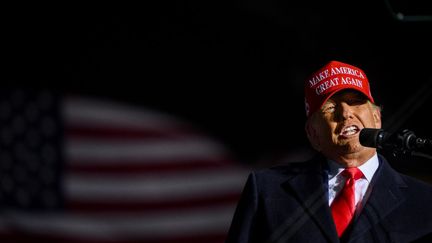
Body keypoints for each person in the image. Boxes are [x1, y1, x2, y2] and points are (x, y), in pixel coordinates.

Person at [225, 60, 432, 243]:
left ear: (377, 118)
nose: (345, 113)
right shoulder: (267, 191)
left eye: (354, 102)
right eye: (330, 108)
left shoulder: (424, 200)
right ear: (312, 133)